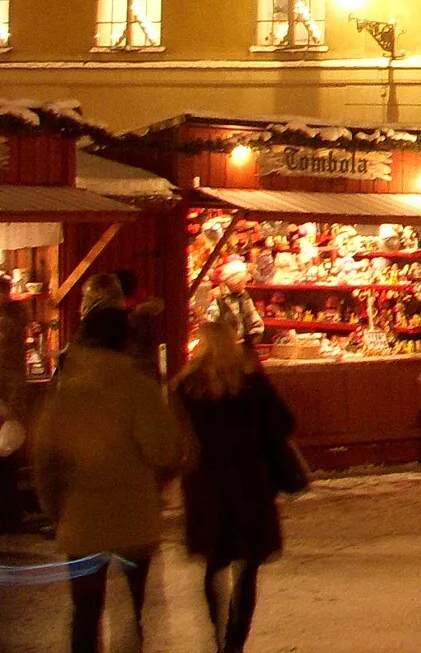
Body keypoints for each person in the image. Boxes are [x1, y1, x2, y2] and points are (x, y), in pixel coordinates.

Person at [32, 303, 183, 653]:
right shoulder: (138, 387)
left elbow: (45, 457)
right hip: (134, 520)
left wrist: (55, 509)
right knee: (131, 609)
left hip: (82, 522)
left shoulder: (66, 390)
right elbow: (163, 450)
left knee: (85, 612)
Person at [171, 318, 298, 653]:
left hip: (207, 488)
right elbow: (285, 422)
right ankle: (234, 643)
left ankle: (217, 635)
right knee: (247, 570)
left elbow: (175, 439)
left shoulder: (187, 386)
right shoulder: (250, 383)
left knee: (214, 565)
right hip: (250, 486)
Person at [0, 273, 27, 530]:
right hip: (11, 398)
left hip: (7, 399)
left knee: (6, 462)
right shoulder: (14, 319)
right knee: (8, 461)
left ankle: (8, 515)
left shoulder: (7, 323)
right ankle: (10, 514)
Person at [206, 260, 266, 349]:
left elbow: (252, 316)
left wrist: (252, 336)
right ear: (235, 281)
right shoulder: (218, 296)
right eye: (243, 282)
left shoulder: (243, 296)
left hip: (242, 345)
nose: (245, 285)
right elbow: (211, 322)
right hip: (224, 347)